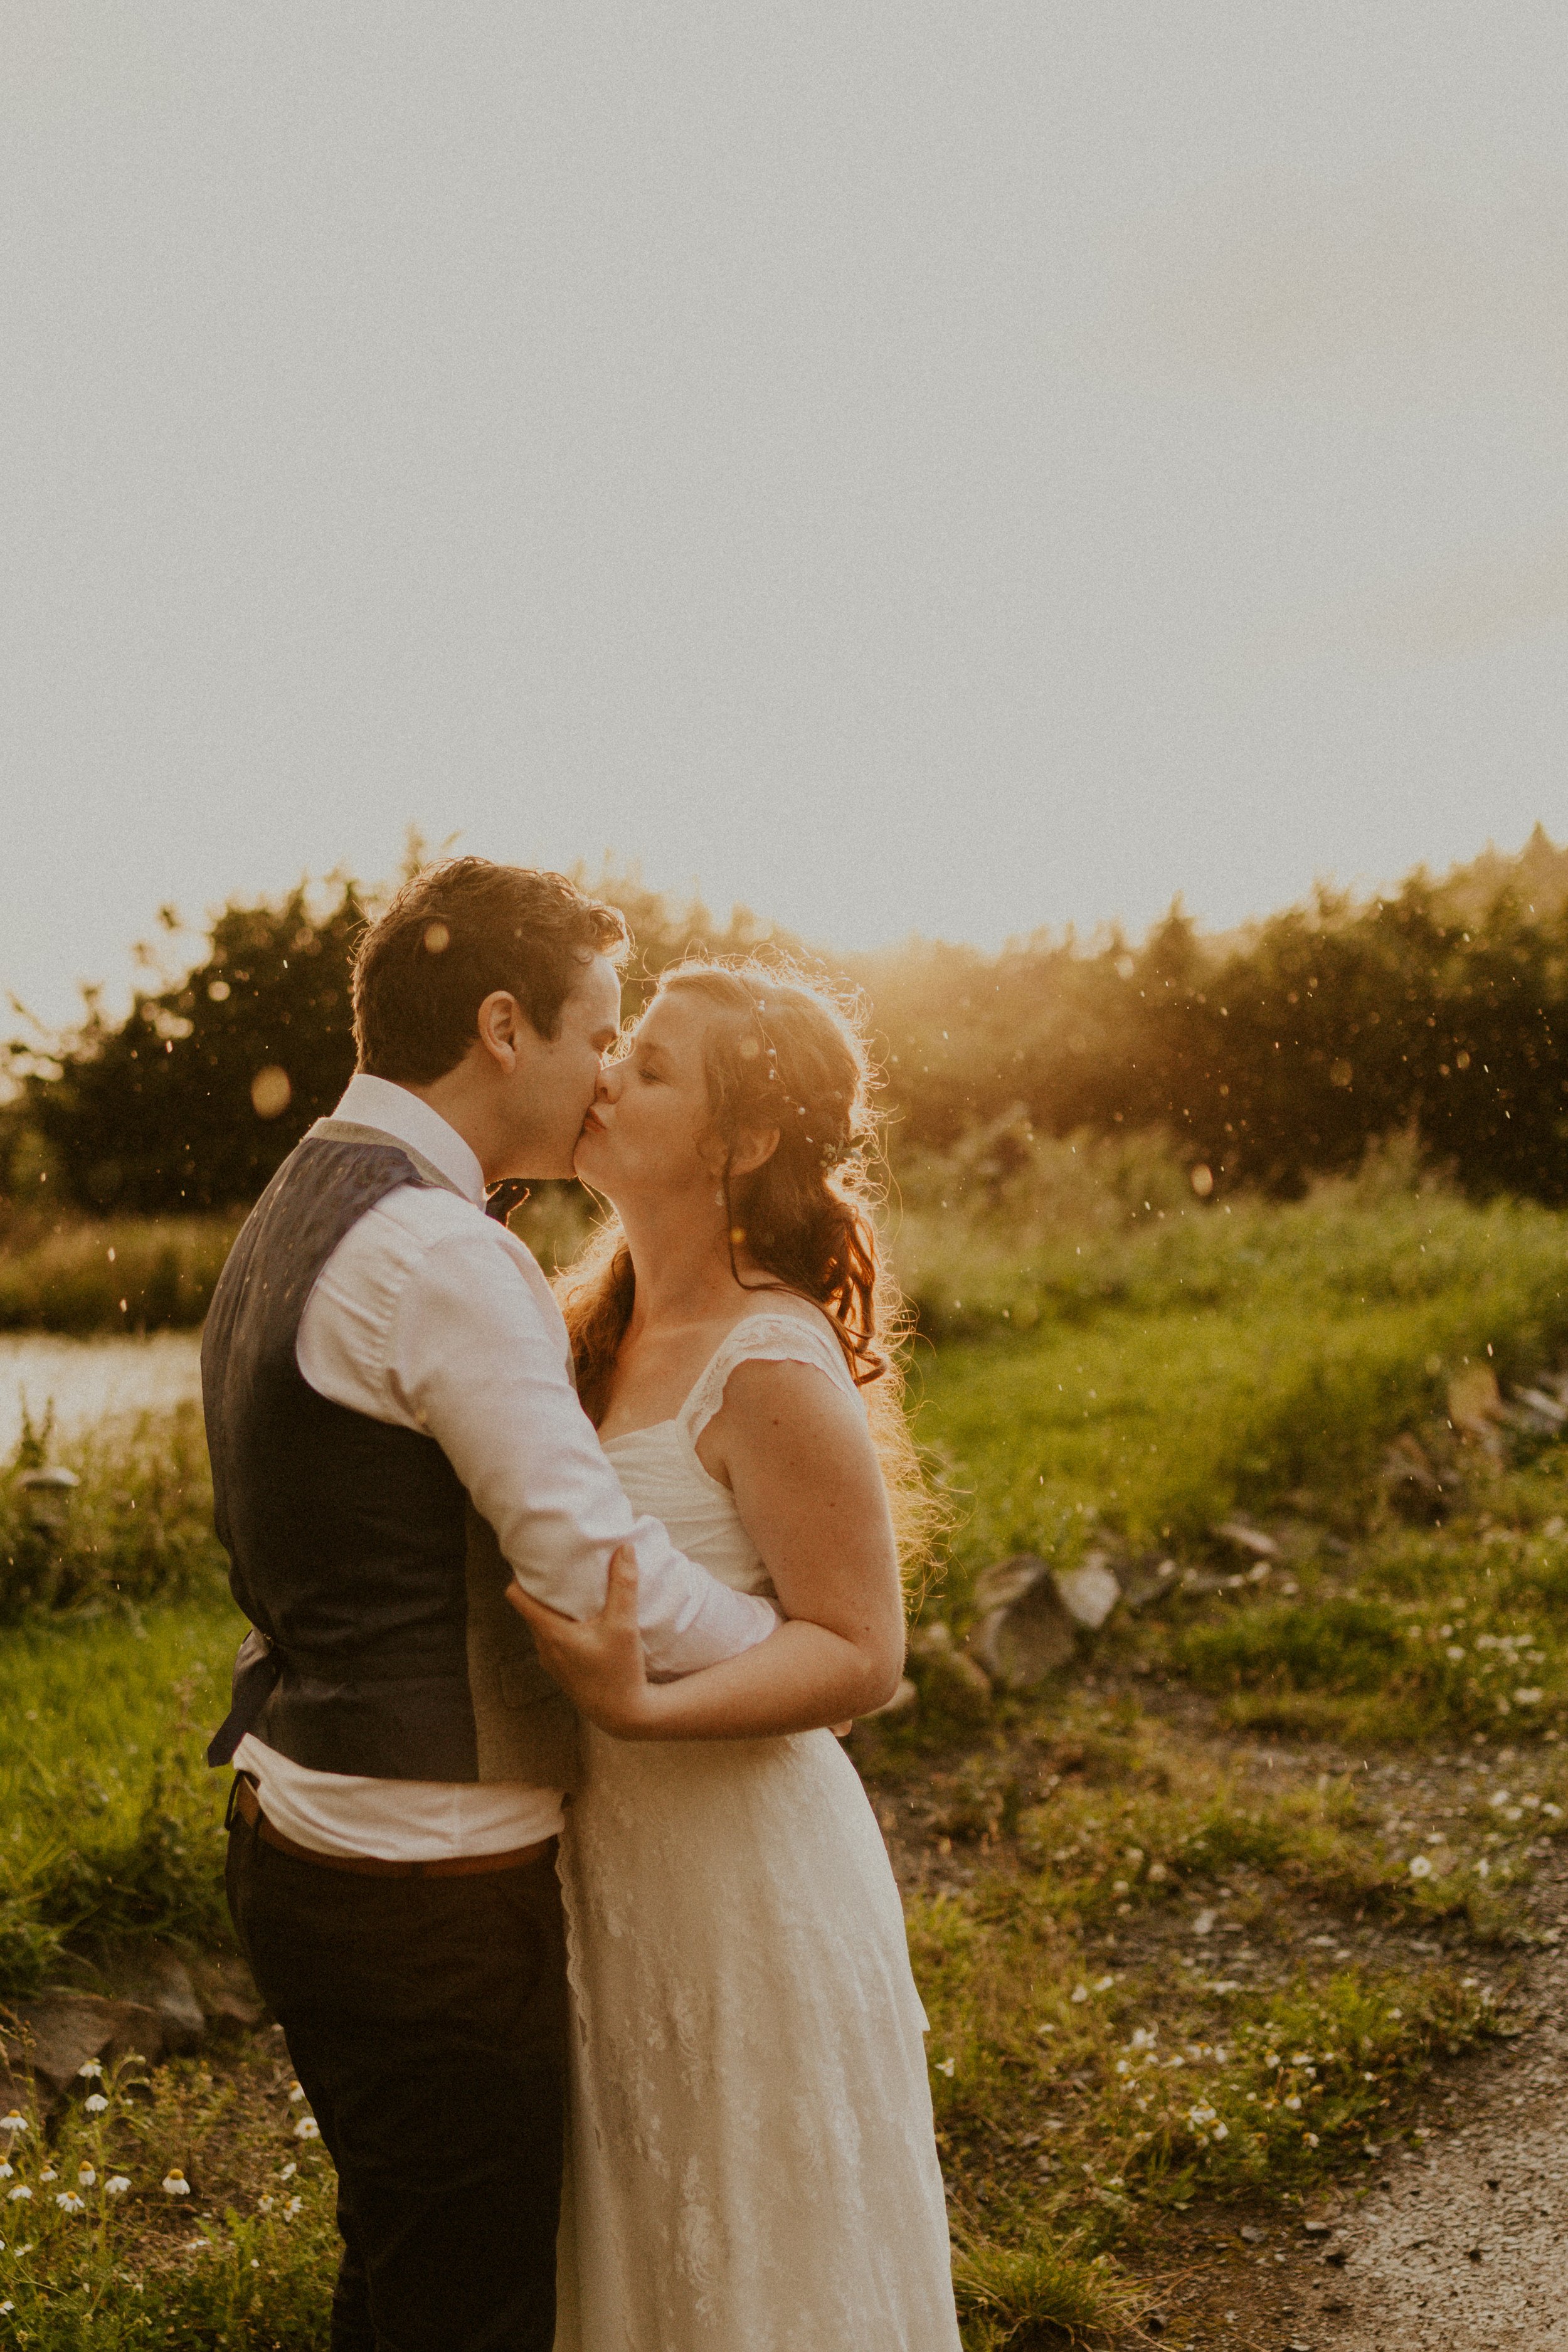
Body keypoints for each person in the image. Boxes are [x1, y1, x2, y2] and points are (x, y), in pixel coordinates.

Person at [203, 861, 780, 2352]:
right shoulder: (442, 1251)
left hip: (311, 1832)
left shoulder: (314, 1190)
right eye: (597, 1033)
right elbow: (594, 1572)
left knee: (408, 2273)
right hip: (424, 1889)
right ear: (504, 1026)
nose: (607, 1071)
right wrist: (793, 1654)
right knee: (468, 2306)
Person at [511, 959, 963, 2352]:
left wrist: (643, 1708)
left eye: (650, 1067)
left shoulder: (765, 1356)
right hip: (610, 1866)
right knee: (644, 2240)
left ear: (743, 1140)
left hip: (742, 1875)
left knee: (759, 2255)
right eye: (620, 1050)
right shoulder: (584, 1319)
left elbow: (860, 1651)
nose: (605, 1076)